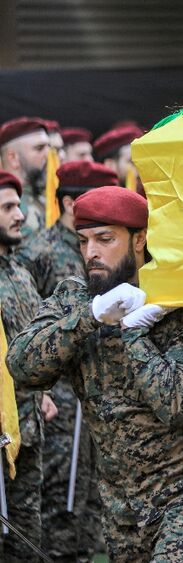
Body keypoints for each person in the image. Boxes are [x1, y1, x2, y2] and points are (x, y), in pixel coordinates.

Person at [7, 186, 183, 562]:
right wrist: (91, 317)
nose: (91, 253)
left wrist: (134, 333)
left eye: (105, 239)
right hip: (123, 509)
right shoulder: (78, 299)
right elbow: (20, 365)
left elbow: (177, 403)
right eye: (83, 241)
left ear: (140, 239)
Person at [15, 160, 118, 562]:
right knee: (61, 498)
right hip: (57, 398)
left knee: (93, 497)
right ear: (72, 202)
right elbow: (30, 328)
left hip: (96, 396)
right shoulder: (37, 253)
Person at [0, 170, 47, 562]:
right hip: (2, 428)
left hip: (29, 425)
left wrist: (43, 394)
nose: (20, 215)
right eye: (8, 207)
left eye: (18, 204)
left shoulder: (18, 270)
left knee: (27, 538)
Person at [0, 117, 51, 238]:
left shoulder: (44, 199)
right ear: (13, 157)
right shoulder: (5, 206)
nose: (49, 155)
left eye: (49, 147)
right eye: (39, 148)